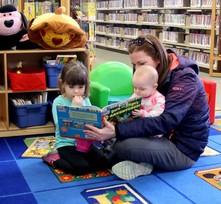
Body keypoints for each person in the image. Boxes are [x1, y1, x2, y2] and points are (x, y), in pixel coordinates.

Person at [84, 34, 210, 180]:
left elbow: (166, 122)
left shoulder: (185, 79)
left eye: (142, 63)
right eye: (134, 65)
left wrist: (117, 131)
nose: (137, 69)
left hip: (181, 148)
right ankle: (125, 157)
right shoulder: (152, 73)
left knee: (121, 146)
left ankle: (140, 165)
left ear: (158, 58)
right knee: (113, 136)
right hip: (158, 135)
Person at [42, 61, 106, 175]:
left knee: (103, 162)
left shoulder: (85, 100)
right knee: (81, 168)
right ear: (63, 85)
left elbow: (90, 121)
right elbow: (61, 125)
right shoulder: (59, 102)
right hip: (66, 144)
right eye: (71, 87)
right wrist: (74, 108)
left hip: (84, 144)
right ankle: (54, 159)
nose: (76, 91)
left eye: (80, 87)